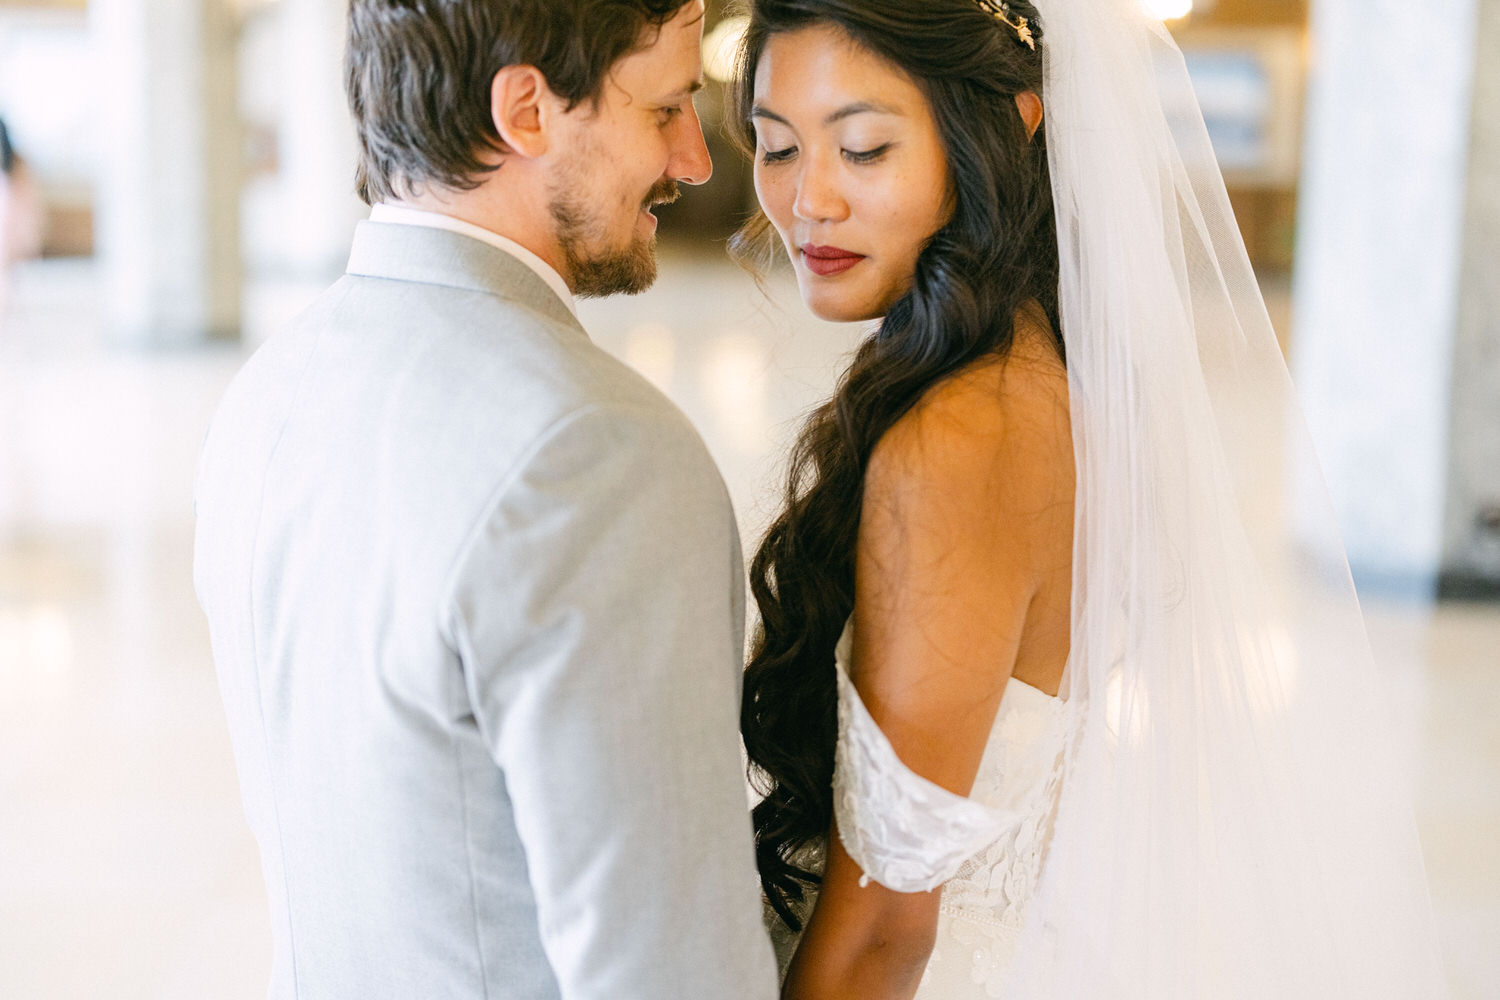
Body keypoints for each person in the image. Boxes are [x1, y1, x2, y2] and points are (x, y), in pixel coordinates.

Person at [734, 1, 1450, 998]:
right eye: (775, 147)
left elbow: (884, 930)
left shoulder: (962, 437)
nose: (807, 198)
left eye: (862, 148)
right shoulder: (1043, 369)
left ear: (1007, 125)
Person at [193, 3, 778, 998]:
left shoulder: (269, 389)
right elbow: (670, 966)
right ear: (528, 110)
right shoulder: (597, 451)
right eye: (667, 108)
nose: (694, 161)